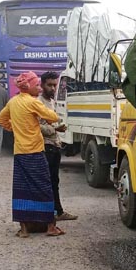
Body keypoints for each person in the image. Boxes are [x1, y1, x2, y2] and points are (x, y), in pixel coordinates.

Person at [0, 71, 64, 238]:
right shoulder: (32, 103)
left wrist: (15, 128)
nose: (39, 89)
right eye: (37, 86)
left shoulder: (13, 102)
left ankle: (24, 229)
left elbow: (0, 119)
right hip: (35, 152)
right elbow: (53, 117)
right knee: (45, 188)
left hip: (20, 153)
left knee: (22, 190)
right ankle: (50, 226)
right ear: (29, 87)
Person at [39, 71, 77, 221]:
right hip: (45, 146)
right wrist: (56, 129)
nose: (53, 88)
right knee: (48, 181)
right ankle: (50, 214)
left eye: (55, 85)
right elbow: (37, 126)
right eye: (49, 85)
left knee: (55, 180)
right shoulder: (38, 103)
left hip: (55, 145)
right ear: (42, 85)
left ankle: (58, 211)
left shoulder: (52, 102)